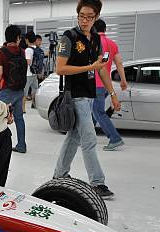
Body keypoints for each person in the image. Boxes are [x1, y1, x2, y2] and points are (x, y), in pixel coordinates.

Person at [52, 0, 121, 199]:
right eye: (81, 16)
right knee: (89, 139)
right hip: (75, 95)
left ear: (96, 17)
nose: (84, 20)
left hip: (90, 95)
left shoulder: (97, 40)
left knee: (74, 137)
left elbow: (101, 68)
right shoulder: (69, 37)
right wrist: (89, 67)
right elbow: (60, 68)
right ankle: (98, 183)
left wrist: (113, 94)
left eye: (89, 17)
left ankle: (59, 174)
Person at [92, 19, 127, 151]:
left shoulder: (93, 42)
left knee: (98, 112)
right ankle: (84, 137)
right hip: (106, 85)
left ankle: (115, 138)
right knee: (93, 112)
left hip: (95, 84)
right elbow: (119, 63)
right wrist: (123, 80)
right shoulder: (112, 44)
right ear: (105, 29)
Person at [0, 24, 27, 153]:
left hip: (7, 90)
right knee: (19, 119)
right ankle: (21, 145)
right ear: (18, 38)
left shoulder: (1, 52)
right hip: (19, 90)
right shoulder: (22, 51)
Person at [23, 31, 39, 113]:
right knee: (34, 89)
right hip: (35, 73)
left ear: (27, 40)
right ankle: (34, 104)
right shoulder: (36, 49)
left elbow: (28, 62)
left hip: (28, 73)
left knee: (25, 91)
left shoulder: (28, 50)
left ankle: (23, 108)